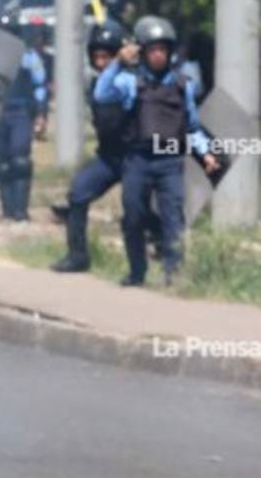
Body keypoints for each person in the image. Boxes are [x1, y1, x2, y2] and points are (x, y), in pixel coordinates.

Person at [94, 16, 219, 287]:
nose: (159, 55)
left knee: (173, 217)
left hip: (170, 161)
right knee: (134, 216)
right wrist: (117, 62)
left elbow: (192, 126)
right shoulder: (130, 82)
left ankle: (173, 273)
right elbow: (101, 94)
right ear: (142, 51)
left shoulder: (182, 85)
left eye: (163, 49)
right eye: (152, 50)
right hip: (138, 160)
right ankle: (136, 271)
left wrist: (206, 153)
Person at [50, 20, 128, 273]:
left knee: (140, 207)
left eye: (107, 56)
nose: (101, 62)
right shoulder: (95, 84)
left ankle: (160, 254)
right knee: (78, 192)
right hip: (108, 157)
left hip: (135, 157)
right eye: (97, 56)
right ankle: (77, 256)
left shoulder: (131, 81)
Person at [0, 15, 48, 221]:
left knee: (21, 161)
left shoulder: (28, 57)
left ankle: (21, 210)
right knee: (2, 163)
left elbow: (39, 84)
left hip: (20, 113)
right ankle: (8, 209)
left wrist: (41, 113)